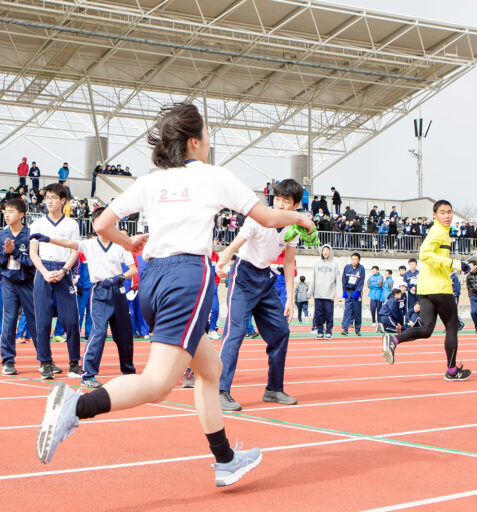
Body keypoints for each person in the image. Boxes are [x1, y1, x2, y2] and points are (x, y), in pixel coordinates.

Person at [35, 102, 314, 487]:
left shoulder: (153, 180)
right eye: (209, 135)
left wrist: (129, 241)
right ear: (196, 141)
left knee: (210, 369)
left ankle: (226, 459)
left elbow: (100, 223)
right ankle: (75, 407)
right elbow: (266, 217)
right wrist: (299, 217)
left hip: (152, 281)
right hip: (187, 278)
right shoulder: (215, 176)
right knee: (158, 383)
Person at [214, 178, 304, 411]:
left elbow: (289, 264)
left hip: (265, 279)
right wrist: (224, 257)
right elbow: (236, 244)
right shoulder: (259, 218)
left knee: (281, 332)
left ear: (296, 206)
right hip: (243, 276)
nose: (281, 205)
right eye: (278, 199)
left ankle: (274, 389)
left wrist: (291, 300)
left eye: (287, 201)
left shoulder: (293, 230)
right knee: (234, 333)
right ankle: (220, 391)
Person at [31, 207, 137, 388]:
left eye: (108, 223)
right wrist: (49, 239)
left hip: (117, 290)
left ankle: (128, 371)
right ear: (95, 226)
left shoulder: (121, 245)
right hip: (100, 292)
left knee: (125, 335)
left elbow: (133, 269)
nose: (103, 227)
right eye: (99, 223)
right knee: (99, 332)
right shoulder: (89, 244)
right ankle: (88, 373)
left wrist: (119, 278)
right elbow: (68, 243)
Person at [380, 200, 471, 381]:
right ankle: (452, 371)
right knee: (452, 327)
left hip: (426, 288)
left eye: (450, 212)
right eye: (443, 212)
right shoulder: (438, 231)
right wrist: (455, 263)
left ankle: (394, 340)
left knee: (427, 329)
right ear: (435, 215)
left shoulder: (441, 232)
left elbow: (435, 261)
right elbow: (425, 254)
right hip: (440, 289)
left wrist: (454, 267)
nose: (447, 215)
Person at [29, 183, 82, 380]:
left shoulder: (72, 224)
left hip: (63, 272)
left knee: (71, 320)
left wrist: (63, 270)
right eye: (47, 197)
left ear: (63, 201)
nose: (49, 201)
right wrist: (44, 272)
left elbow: (74, 251)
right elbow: (33, 253)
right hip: (43, 271)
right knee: (42, 321)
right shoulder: (37, 224)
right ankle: (45, 363)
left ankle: (74, 363)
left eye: (53, 197)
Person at [0, 198, 37, 376]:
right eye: (5, 211)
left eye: (11, 211)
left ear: (21, 215)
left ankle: (45, 359)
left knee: (35, 320)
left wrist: (15, 251)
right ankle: (7, 360)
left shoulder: (30, 235)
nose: (7, 214)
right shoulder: (1, 235)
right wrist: (5, 254)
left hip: (27, 283)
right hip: (8, 282)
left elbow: (32, 262)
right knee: (9, 320)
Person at [309, 244, 339, 340]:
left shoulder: (335, 264)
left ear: (330, 252)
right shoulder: (317, 263)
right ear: (321, 252)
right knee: (318, 314)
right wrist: (309, 292)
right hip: (318, 294)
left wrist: (339, 295)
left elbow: (338, 279)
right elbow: (313, 278)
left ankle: (329, 331)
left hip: (329, 294)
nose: (325, 252)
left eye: (327, 250)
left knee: (329, 314)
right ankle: (320, 331)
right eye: (324, 250)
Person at [340, 252, 364, 336]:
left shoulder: (361, 269)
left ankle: (357, 330)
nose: (354, 261)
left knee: (357, 311)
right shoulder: (347, 267)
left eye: (356, 259)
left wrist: (358, 291)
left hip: (356, 292)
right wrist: (344, 290)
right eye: (352, 259)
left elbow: (361, 281)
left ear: (359, 260)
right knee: (347, 310)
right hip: (348, 291)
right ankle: (345, 328)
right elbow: (343, 279)